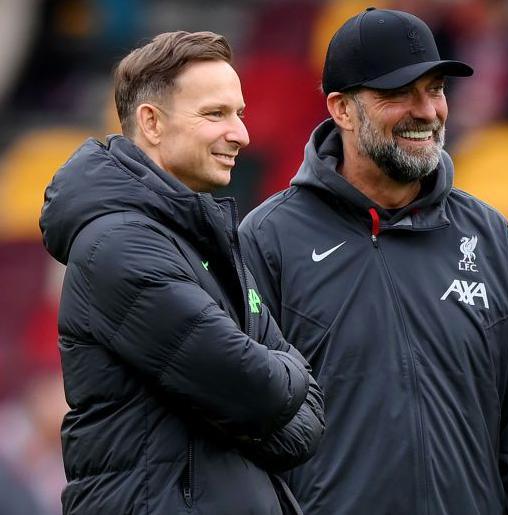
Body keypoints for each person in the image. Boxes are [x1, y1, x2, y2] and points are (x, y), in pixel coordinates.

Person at [239, 7, 508, 514]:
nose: (427, 111)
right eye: (398, 94)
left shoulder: (489, 236)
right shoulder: (268, 239)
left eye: (435, 90)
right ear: (342, 110)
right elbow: (243, 428)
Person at [39, 31, 324, 514]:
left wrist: (264, 387)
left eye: (239, 114)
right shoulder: (119, 245)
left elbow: (306, 422)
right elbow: (257, 392)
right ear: (151, 122)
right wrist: (285, 373)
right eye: (215, 114)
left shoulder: (199, 238)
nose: (241, 134)